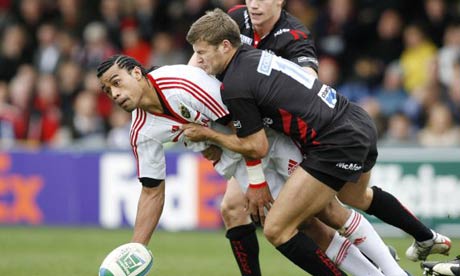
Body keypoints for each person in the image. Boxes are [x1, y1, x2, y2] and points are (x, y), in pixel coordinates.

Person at [183, 8, 451, 275]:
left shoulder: (238, 84)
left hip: (334, 141)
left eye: (202, 53)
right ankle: (413, 248)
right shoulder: (253, 56)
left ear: (226, 46)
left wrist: (207, 135)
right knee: (346, 201)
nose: (199, 61)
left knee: (277, 228)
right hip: (355, 119)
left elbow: (257, 146)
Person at [96, 54, 387, 275]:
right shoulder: (141, 131)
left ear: (137, 73)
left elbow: (243, 123)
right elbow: (151, 191)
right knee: (308, 227)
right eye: (107, 91)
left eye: (117, 83)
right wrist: (137, 248)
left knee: (328, 210)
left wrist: (257, 180)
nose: (115, 94)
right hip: (237, 160)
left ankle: (392, 271)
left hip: (269, 141)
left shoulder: (182, 84)